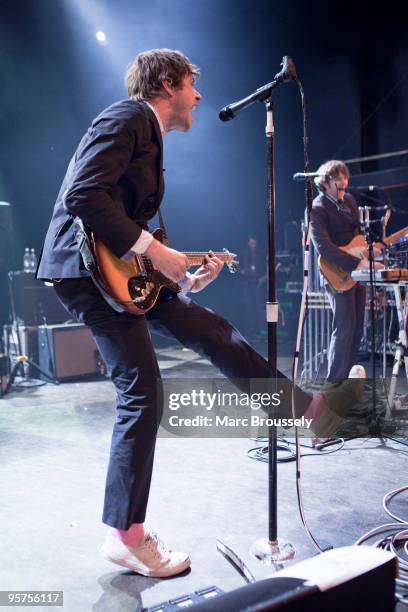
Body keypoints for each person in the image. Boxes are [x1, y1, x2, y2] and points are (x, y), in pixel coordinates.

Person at [37, 51, 364, 578]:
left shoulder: (146, 132)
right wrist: (155, 249)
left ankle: (303, 411)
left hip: (114, 269)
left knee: (216, 331)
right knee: (142, 390)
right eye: (193, 84)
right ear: (167, 83)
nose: (200, 96)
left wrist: (182, 276)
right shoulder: (128, 117)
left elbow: (128, 232)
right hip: (86, 271)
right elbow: (83, 196)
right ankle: (126, 535)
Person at [310, 160, 379, 380]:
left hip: (356, 272)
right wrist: (354, 263)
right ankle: (334, 384)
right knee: (344, 329)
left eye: (345, 177)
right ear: (325, 181)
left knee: (358, 328)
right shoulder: (317, 208)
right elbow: (323, 246)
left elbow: (357, 235)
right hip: (335, 274)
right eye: (338, 178)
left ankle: (348, 381)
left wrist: (368, 253)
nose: (343, 182)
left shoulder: (348, 200)